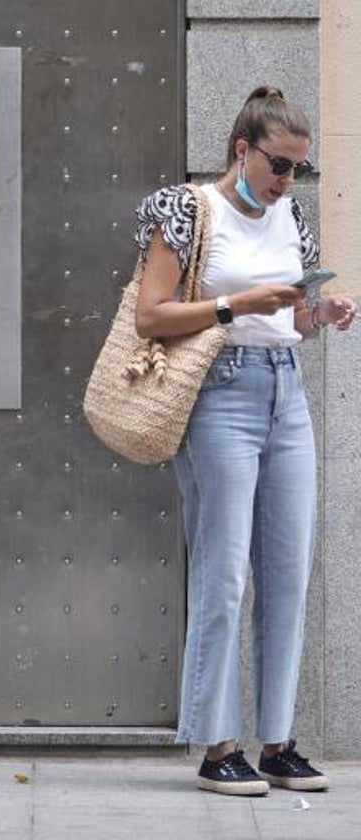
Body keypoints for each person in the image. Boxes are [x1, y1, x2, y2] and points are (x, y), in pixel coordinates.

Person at [133, 86, 356, 795]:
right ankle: (217, 744)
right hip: (218, 393)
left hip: (284, 389)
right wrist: (237, 303)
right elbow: (151, 316)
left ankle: (279, 741)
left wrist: (321, 313)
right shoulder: (187, 209)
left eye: (299, 169)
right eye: (279, 165)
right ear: (241, 150)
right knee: (225, 573)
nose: (289, 181)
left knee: (288, 572)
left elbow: (288, 323)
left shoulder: (289, 215)